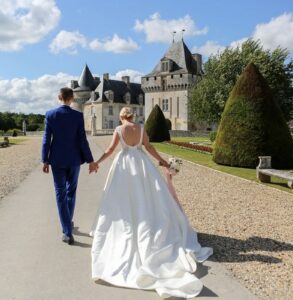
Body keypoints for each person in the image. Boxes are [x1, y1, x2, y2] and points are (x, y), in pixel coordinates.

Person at [91, 107, 213, 298]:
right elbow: (149, 148)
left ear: (122, 117)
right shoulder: (140, 128)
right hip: (141, 163)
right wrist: (163, 161)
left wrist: (97, 162)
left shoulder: (118, 130)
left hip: (124, 165)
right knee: (151, 196)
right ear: (132, 116)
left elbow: (110, 150)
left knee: (122, 199)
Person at [41, 87, 98, 245]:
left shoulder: (50, 115)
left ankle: (67, 231)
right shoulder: (78, 116)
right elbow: (82, 140)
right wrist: (90, 160)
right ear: (72, 98)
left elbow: (46, 139)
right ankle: (68, 224)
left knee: (60, 193)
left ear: (59, 97)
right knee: (71, 191)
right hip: (74, 160)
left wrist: (44, 160)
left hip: (57, 161)